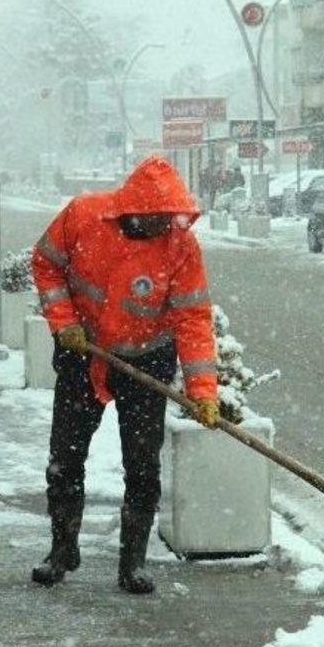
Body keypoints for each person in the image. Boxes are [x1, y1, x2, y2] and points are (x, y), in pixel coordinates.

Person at [30, 155, 219, 595]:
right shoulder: (82, 216)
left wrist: (203, 391)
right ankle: (62, 549)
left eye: (168, 217)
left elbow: (193, 319)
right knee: (65, 459)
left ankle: (132, 562)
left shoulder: (180, 247)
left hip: (146, 362)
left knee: (142, 465)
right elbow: (45, 263)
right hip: (84, 354)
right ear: (130, 208)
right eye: (154, 217)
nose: (163, 226)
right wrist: (64, 323)